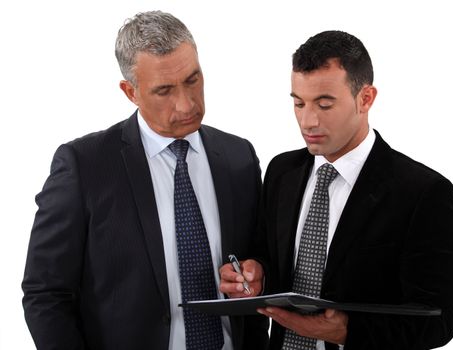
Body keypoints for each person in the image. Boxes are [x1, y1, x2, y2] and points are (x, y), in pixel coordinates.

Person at [22, 10, 268, 350]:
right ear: (130, 92)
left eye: (193, 80)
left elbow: (261, 259)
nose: (186, 104)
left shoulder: (239, 156)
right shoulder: (84, 166)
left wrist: (258, 275)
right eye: (164, 90)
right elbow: (45, 293)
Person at [220, 30, 453, 349]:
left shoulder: (422, 192)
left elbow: (438, 320)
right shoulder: (282, 172)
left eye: (324, 104)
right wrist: (255, 275)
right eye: (299, 103)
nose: (308, 121)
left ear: (366, 99)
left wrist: (345, 331)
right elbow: (268, 257)